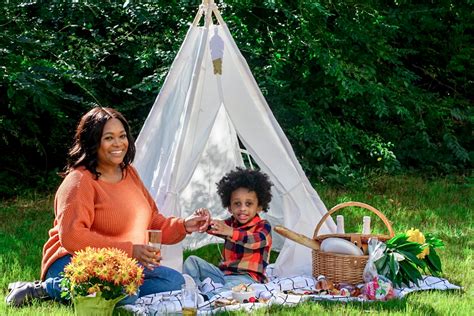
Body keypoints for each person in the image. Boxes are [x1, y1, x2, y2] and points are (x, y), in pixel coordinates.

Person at [6, 107, 211, 307]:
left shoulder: (129, 173)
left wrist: (185, 225)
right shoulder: (79, 181)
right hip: (73, 261)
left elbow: (152, 220)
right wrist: (130, 250)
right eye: (109, 138)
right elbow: (72, 236)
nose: (118, 143)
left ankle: (110, 290)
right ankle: (44, 289)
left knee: (173, 282)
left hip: (121, 264)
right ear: (93, 142)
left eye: (122, 136)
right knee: (124, 293)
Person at [183, 167, 273, 298]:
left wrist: (230, 232)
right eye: (237, 204)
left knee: (231, 288)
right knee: (192, 261)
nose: (242, 209)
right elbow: (216, 227)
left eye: (249, 204)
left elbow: (255, 240)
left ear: (259, 206)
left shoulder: (263, 226)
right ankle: (194, 290)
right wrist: (204, 220)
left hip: (248, 278)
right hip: (224, 274)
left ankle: (207, 298)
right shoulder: (231, 223)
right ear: (229, 207)